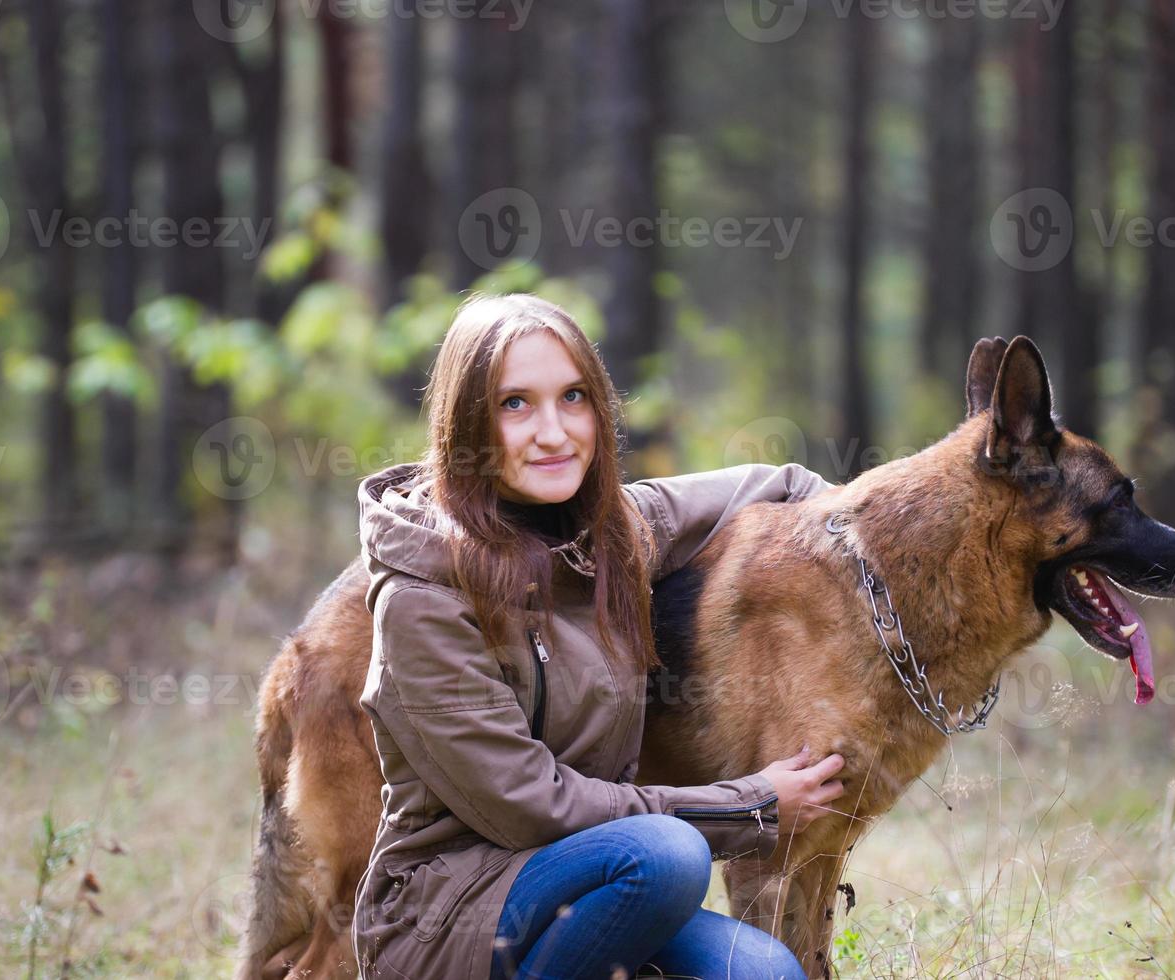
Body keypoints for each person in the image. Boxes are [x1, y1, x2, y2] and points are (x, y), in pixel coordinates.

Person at [353, 293, 847, 980]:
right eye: (514, 404)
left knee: (764, 974)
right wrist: (752, 804)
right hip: (448, 918)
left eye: (574, 397)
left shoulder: (612, 536)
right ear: (465, 421)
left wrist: (863, 534)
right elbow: (531, 806)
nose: (554, 432)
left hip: (592, 887)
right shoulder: (422, 598)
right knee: (667, 857)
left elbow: (779, 484)